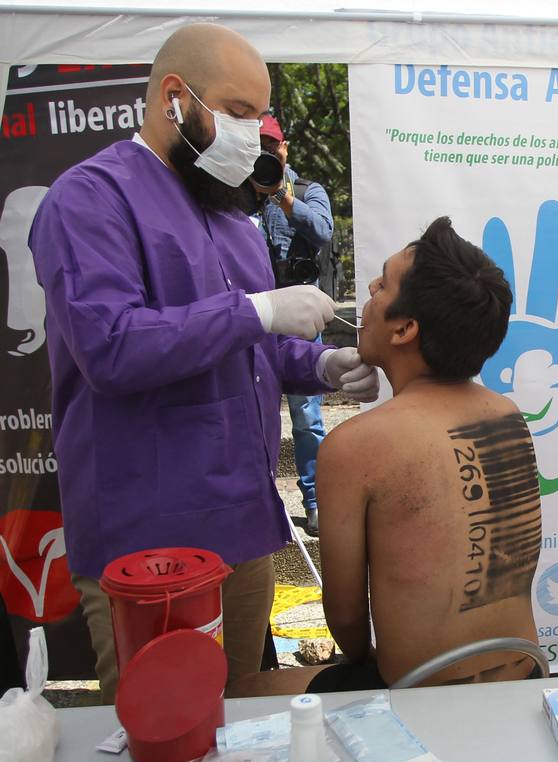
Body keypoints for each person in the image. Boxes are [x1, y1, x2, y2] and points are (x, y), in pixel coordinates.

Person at [27, 23, 379, 702]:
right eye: (237, 113)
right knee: (164, 730)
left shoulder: (231, 217)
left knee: (240, 719)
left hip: (242, 523)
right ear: (173, 97)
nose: (251, 134)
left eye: (258, 116)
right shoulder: (90, 199)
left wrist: (324, 365)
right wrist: (257, 311)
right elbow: (111, 346)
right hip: (147, 538)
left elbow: (254, 349)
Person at [240, 216, 543, 695]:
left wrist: (363, 665)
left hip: (422, 695)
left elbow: (344, 617)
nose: (369, 292)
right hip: (527, 671)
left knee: (240, 694)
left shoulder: (355, 446)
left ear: (404, 328)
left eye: (381, 285)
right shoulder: (506, 414)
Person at [254, 113, 335, 536]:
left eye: (272, 147)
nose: (266, 153)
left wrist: (284, 198)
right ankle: (257, 498)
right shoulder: (238, 195)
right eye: (259, 147)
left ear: (284, 148)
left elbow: (323, 232)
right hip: (258, 316)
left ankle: (315, 501)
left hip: (300, 318)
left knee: (306, 417)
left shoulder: (308, 190)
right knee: (252, 409)